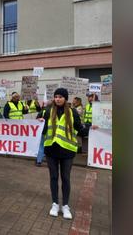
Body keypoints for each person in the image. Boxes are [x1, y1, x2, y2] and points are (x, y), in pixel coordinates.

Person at [38, 88, 96, 219]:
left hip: (67, 151)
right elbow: (40, 129)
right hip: (51, 150)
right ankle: (54, 204)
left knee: (65, 178)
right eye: (56, 96)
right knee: (53, 177)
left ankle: (65, 206)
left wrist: (90, 129)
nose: (58, 99)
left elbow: (80, 129)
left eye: (60, 96)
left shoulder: (72, 112)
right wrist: (40, 123)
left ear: (65, 98)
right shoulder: (47, 111)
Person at [35, 100, 52, 166]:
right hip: (52, 131)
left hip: (43, 130)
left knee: (41, 146)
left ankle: (39, 161)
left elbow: (37, 119)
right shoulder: (54, 111)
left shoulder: (43, 111)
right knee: (50, 146)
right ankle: (51, 162)